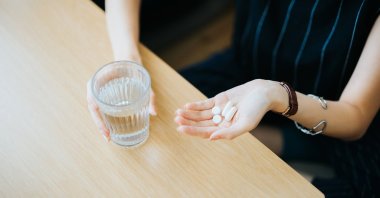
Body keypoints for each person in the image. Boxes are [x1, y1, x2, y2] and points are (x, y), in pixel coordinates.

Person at [87, 0, 380, 196]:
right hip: (249, 68)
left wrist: (276, 95)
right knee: (168, 114)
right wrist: (128, 60)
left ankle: (302, 143)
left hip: (340, 110)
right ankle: (291, 141)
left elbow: (355, 115)